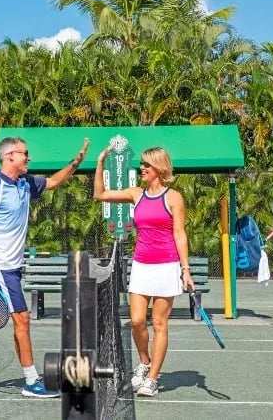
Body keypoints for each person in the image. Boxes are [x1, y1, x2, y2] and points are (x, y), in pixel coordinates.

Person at [0, 136, 90, 398]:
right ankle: (32, 380)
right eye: (25, 153)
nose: (29, 158)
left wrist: (75, 163)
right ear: (10, 156)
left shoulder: (25, 183)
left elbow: (54, 182)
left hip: (13, 267)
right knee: (21, 319)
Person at [93, 146, 194, 397]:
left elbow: (180, 234)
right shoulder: (136, 194)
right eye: (142, 165)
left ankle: (152, 378)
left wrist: (185, 269)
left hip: (167, 266)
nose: (142, 169)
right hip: (141, 266)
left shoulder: (174, 198)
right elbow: (100, 194)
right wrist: (100, 162)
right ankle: (145, 362)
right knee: (137, 321)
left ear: (159, 168)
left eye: (146, 165)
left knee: (159, 323)